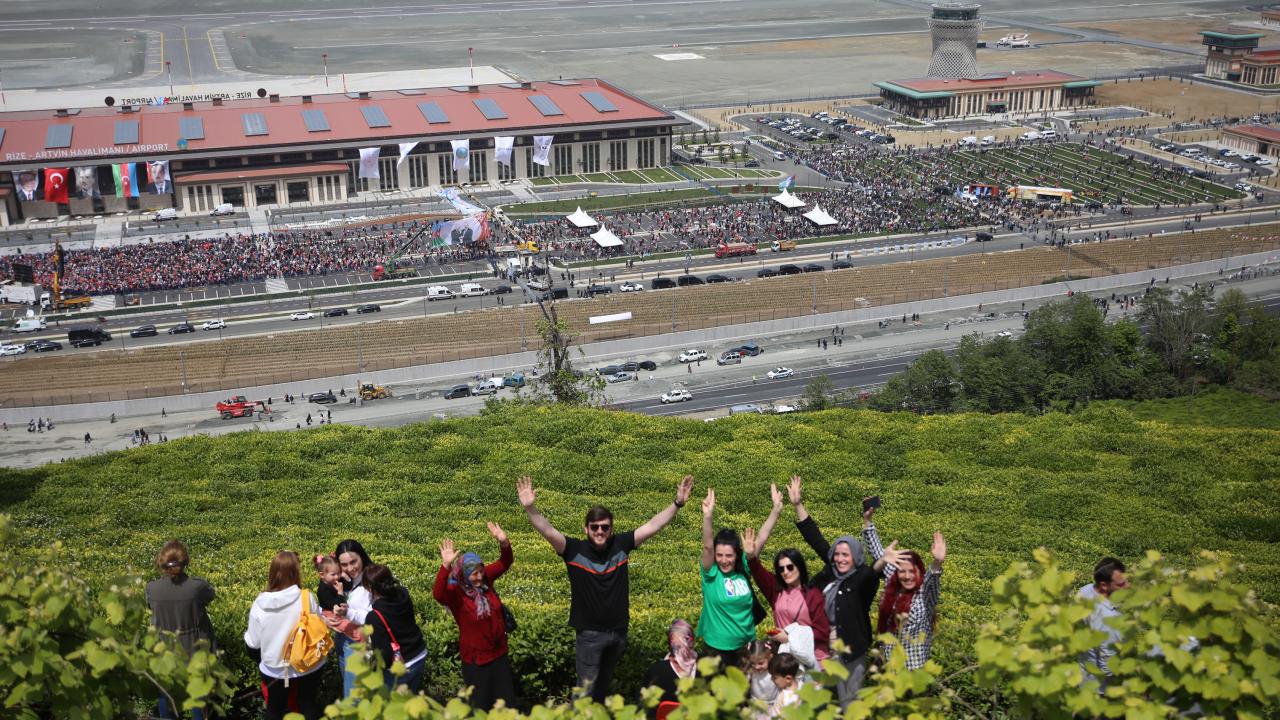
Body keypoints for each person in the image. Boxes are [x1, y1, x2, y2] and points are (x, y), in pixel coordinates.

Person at [518, 473, 695, 702]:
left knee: (602, 688)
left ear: (611, 528)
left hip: (618, 632)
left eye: (604, 527)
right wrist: (531, 509)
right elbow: (548, 531)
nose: (600, 532)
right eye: (595, 527)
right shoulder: (574, 550)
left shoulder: (621, 545)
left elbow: (653, 525)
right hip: (590, 634)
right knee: (585, 690)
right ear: (586, 529)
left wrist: (677, 504)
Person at [788, 476, 896, 707]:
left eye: (845, 555)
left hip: (851, 651)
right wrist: (798, 505)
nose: (839, 558)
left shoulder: (860, 579)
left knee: (849, 703)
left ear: (855, 557)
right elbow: (815, 539)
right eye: (837, 554)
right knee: (813, 703)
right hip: (820, 648)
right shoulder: (830, 573)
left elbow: (871, 574)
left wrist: (883, 561)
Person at [743, 485, 829, 674]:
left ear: (799, 567)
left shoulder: (812, 593)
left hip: (812, 663)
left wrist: (790, 637)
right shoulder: (776, 589)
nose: (785, 571)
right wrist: (750, 555)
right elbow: (756, 569)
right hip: (784, 663)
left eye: (790, 567)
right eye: (781, 568)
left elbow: (823, 632)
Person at [434, 522, 518, 710]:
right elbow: (439, 595)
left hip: (499, 653)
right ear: (464, 575)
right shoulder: (457, 593)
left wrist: (504, 542)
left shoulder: (486, 579)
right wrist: (446, 565)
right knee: (480, 706)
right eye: (474, 574)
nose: (479, 577)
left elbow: (505, 562)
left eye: (480, 571)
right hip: (476, 661)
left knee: (506, 704)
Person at [861, 501, 945, 669]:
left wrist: (937, 562)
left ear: (919, 572)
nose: (907, 576)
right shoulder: (894, 586)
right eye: (902, 571)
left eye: (912, 572)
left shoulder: (924, 595)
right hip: (888, 669)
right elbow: (879, 553)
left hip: (913, 673)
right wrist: (868, 520)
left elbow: (932, 580)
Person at [244, 551, 324, 720]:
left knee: (274, 709)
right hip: (307, 663)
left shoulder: (260, 604)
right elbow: (318, 626)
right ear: (296, 572)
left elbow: (253, 643)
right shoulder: (306, 597)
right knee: (307, 704)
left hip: (275, 669)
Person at [146, 541, 216, 720]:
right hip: (195, 649)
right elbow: (211, 595)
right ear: (185, 561)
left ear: (161, 563)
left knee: (165, 694)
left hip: (165, 650)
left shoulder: (152, 588)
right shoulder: (197, 587)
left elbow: (150, 607)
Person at [697, 488, 757, 669]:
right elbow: (707, 547)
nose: (724, 560)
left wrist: (777, 510)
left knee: (743, 694)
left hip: (745, 647)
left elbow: (759, 540)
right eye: (720, 555)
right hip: (717, 650)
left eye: (729, 555)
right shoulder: (711, 573)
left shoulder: (743, 569)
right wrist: (707, 516)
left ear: (737, 556)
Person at [364, 563, 428, 691]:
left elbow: (385, 656)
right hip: (420, 653)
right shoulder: (403, 593)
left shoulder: (374, 616)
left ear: (370, 588)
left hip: (402, 664)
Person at [331, 539, 375, 697]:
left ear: (362, 556)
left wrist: (348, 613)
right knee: (349, 687)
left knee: (354, 696)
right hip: (342, 637)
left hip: (360, 643)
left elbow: (375, 617)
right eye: (344, 565)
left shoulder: (373, 579)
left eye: (353, 562)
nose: (350, 568)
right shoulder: (341, 579)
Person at [1077, 557, 1128, 688]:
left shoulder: (1086, 590)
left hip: (1084, 671)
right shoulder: (1109, 620)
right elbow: (1108, 664)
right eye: (1121, 585)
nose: (1127, 586)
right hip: (1101, 689)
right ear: (1104, 585)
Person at [638, 618, 697, 714]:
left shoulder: (656, 671)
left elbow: (643, 707)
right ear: (692, 641)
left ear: (669, 644)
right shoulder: (708, 668)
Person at [312, 555, 362, 643]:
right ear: (322, 575)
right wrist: (340, 592)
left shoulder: (336, 580)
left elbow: (348, 586)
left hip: (339, 610)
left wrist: (346, 577)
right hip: (330, 613)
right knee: (348, 626)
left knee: (353, 623)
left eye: (339, 573)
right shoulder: (323, 590)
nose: (337, 577)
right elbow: (336, 606)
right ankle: (363, 641)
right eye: (333, 574)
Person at [740, 639, 779, 717]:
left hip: (773, 706)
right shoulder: (750, 670)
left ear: (770, 657)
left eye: (760, 663)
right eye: (753, 663)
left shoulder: (775, 670)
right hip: (755, 705)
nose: (756, 667)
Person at [766, 653, 802, 718]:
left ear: (788, 679)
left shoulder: (788, 699)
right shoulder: (801, 684)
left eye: (774, 677)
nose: (771, 679)